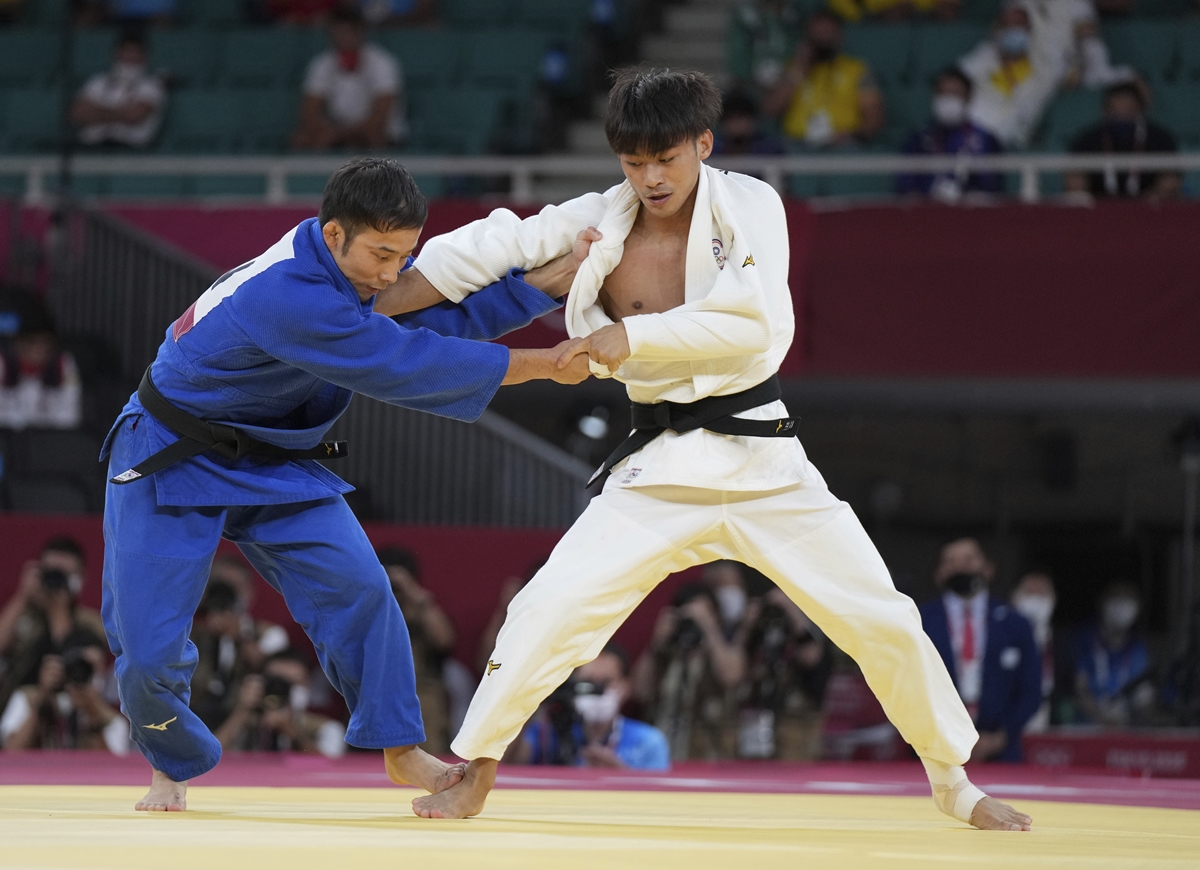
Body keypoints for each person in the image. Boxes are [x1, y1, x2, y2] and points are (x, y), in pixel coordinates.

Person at [406, 67, 1030, 831]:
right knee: (547, 608)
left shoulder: (752, 207)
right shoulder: (599, 222)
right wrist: (373, 291)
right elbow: (487, 247)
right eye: (634, 162)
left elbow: (755, 321)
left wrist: (622, 337)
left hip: (765, 461)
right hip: (656, 470)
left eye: (666, 157)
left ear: (703, 142)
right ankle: (478, 771)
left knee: (882, 616)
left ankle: (954, 783)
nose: (651, 177)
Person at [99, 155, 595, 812]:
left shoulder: (343, 277)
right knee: (147, 644)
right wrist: (545, 363)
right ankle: (171, 759)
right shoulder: (289, 293)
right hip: (169, 450)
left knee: (361, 589)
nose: (394, 273)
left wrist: (540, 288)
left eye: (405, 255)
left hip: (270, 453)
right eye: (382, 255)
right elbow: (405, 361)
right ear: (334, 235)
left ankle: (399, 746)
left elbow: (426, 323)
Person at [917, 538, 1042, 762]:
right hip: (934, 752)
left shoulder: (1015, 623)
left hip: (1001, 751)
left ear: (988, 568)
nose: (960, 567)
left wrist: (1001, 737)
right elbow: (907, 685)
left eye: (969, 559)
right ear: (939, 573)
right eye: (951, 561)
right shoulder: (918, 621)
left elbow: (1031, 689)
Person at [510, 643, 670, 770]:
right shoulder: (546, 732)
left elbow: (662, 800)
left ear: (625, 687)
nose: (596, 692)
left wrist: (621, 776)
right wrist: (530, 704)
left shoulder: (649, 741)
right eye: (588, 683)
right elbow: (508, 766)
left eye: (605, 683)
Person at [632, 583, 745, 760]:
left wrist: (709, 627)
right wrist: (656, 645)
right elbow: (639, 691)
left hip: (709, 757)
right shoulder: (667, 655)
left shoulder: (722, 653)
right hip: (665, 754)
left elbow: (731, 677)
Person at [377, 547, 469, 753]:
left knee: (426, 704)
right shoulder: (371, 610)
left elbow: (444, 640)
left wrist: (414, 595)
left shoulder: (423, 609)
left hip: (421, 695)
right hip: (376, 692)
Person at [0, 537, 104, 710]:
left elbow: (73, 656)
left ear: (80, 579)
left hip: (65, 709)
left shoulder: (90, 622)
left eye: (63, 575)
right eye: (50, 573)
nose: (56, 581)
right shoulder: (22, 615)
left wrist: (57, 610)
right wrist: (22, 595)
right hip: (12, 709)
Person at [762, 10, 885, 149]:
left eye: (828, 33)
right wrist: (798, 70)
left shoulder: (857, 70)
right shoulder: (792, 68)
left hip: (843, 145)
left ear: (839, 35)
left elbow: (874, 116)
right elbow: (770, 110)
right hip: (797, 145)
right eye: (817, 34)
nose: (822, 39)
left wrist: (853, 135)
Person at [292, 7, 406, 151]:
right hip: (336, 129)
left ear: (360, 33)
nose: (342, 39)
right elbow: (310, 112)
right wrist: (330, 132)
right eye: (337, 33)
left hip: (374, 132)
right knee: (302, 139)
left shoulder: (382, 63)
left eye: (347, 33)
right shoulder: (322, 63)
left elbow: (380, 117)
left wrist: (346, 133)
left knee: (374, 137)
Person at [739, 587, 832, 760]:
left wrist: (791, 609)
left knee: (793, 771)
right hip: (757, 718)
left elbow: (812, 656)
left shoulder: (811, 624)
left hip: (797, 723)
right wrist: (748, 624)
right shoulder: (765, 628)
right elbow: (739, 667)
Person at [0, 634, 128, 753]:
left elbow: (112, 770)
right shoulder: (26, 698)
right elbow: (12, 753)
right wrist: (43, 696)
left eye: (89, 667)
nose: (80, 671)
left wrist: (93, 715)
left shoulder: (112, 721)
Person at [213, 648, 347, 758]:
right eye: (277, 682)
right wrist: (241, 711)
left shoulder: (327, 729)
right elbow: (210, 759)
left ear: (306, 687)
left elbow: (332, 770)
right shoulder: (244, 723)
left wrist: (293, 733)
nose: (283, 690)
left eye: (292, 684)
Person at [958, 4, 1059, 148]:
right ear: (998, 29)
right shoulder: (977, 63)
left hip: (1016, 145)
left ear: (1030, 29)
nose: (1014, 29)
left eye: (1019, 24)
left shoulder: (1045, 70)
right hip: (977, 143)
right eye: (1007, 25)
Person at [896, 67, 1003, 202]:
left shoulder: (986, 140)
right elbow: (905, 184)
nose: (948, 99)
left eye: (955, 93)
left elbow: (992, 187)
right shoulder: (917, 138)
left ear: (968, 98)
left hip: (970, 216)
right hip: (925, 214)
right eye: (943, 93)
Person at [1065, 82, 1181, 202]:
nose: (1122, 118)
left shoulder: (1160, 138)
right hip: (1097, 210)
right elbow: (1074, 180)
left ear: (1140, 110)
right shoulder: (1087, 139)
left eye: (1129, 111)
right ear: (1105, 110)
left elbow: (1170, 180)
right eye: (1116, 113)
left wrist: (1151, 200)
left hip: (1149, 209)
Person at [1073, 581, 1154, 727]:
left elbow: (1144, 693)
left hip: (1125, 726)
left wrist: (1130, 713)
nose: (1121, 608)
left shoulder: (1137, 648)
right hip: (1087, 725)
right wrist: (1100, 717)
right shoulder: (1085, 639)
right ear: (1102, 603)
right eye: (1116, 600)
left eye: (1127, 601)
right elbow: (1080, 688)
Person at [69, 31, 166, 151]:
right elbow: (78, 113)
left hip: (130, 150)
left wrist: (96, 112)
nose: (131, 56)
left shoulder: (151, 85)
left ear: (145, 55)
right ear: (117, 53)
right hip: (90, 147)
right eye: (127, 51)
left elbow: (134, 116)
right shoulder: (98, 81)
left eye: (136, 52)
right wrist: (121, 113)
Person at [0, 306, 82, 430]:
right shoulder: (3, 364)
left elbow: (70, 415)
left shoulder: (63, 364)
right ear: (17, 343)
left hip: (49, 440)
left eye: (44, 343)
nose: (38, 350)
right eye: (31, 342)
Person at [1010, 570, 1059, 733]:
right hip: (1011, 709)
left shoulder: (1061, 641)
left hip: (1049, 711)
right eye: (1030, 593)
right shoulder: (1002, 635)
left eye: (1042, 594)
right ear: (1015, 597)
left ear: (1053, 599)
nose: (1036, 600)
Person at [727, 0, 806, 96]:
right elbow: (738, 56)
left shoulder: (795, 14)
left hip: (788, 85)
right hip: (752, 86)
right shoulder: (744, 15)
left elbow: (799, 50)